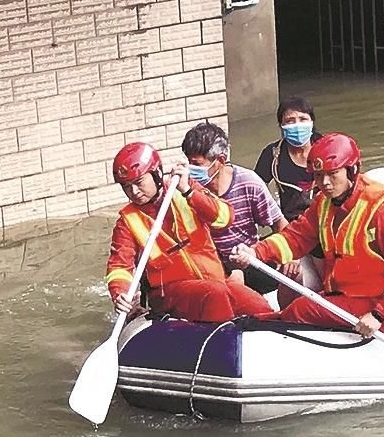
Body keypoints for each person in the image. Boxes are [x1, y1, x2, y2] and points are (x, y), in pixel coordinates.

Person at [231, 134, 384, 339]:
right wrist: (255, 252)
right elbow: (295, 237)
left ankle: (261, 325)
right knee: (301, 307)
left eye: (332, 174)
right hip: (349, 297)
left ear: (352, 170)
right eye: (318, 175)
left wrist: (378, 315)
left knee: (301, 310)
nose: (324, 183)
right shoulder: (323, 203)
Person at [105, 142, 274, 323]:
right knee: (214, 294)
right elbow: (119, 266)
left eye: (138, 182)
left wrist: (189, 192)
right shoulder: (127, 221)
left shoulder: (184, 188)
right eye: (126, 186)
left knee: (259, 306)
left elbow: (225, 218)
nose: (134, 192)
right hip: (169, 295)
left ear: (157, 173)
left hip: (216, 281)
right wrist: (120, 292)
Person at [180, 122, 288, 295]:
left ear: (220, 160)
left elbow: (280, 225)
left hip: (247, 260)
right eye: (189, 163)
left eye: (197, 164)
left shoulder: (249, 182)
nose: (191, 170)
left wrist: (288, 256)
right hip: (207, 266)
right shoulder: (185, 189)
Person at [253, 97, 322, 222]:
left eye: (303, 119)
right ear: (281, 125)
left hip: (326, 220)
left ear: (312, 122)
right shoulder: (273, 154)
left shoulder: (328, 147)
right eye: (290, 121)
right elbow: (255, 191)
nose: (297, 125)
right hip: (291, 225)